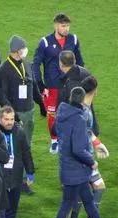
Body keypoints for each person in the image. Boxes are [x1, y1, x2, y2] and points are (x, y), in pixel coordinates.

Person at [44, 87, 118, 218]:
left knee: (87, 200)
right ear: (81, 100)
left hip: (67, 167)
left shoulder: (62, 112)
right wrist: (91, 161)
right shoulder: (79, 118)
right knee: (66, 206)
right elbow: (78, 150)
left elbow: (53, 130)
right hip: (76, 169)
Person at [33, 13, 84, 154]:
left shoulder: (73, 39)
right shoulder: (45, 42)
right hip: (53, 86)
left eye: (68, 26)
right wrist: (41, 85)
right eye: (63, 26)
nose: (66, 28)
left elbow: (80, 61)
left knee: (72, 111)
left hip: (70, 84)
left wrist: (81, 79)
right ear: (56, 25)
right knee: (52, 114)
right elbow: (35, 64)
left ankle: (69, 138)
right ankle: (54, 140)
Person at [65, 76, 110, 218]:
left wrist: (97, 144)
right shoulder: (85, 111)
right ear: (95, 91)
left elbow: (86, 131)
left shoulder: (80, 107)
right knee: (99, 187)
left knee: (81, 189)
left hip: (76, 156)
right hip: (82, 157)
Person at [0, 107, 34, 218]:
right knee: (0, 209)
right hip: (0, 177)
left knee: (13, 208)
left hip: (15, 176)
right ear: (0, 119)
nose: (9, 122)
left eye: (11, 119)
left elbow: (26, 152)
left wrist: (30, 172)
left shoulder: (19, 132)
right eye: (6, 119)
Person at [0, 36, 43, 145]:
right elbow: (1, 96)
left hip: (29, 110)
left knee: (27, 142)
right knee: (15, 144)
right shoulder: (3, 70)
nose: (25, 50)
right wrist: (13, 115)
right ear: (17, 51)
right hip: (15, 113)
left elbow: (33, 85)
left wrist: (41, 104)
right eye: (23, 48)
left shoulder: (27, 64)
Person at [57, 50, 97, 136]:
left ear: (61, 64)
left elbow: (70, 107)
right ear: (74, 60)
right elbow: (94, 90)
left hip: (76, 127)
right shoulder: (85, 72)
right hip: (89, 119)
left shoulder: (69, 83)